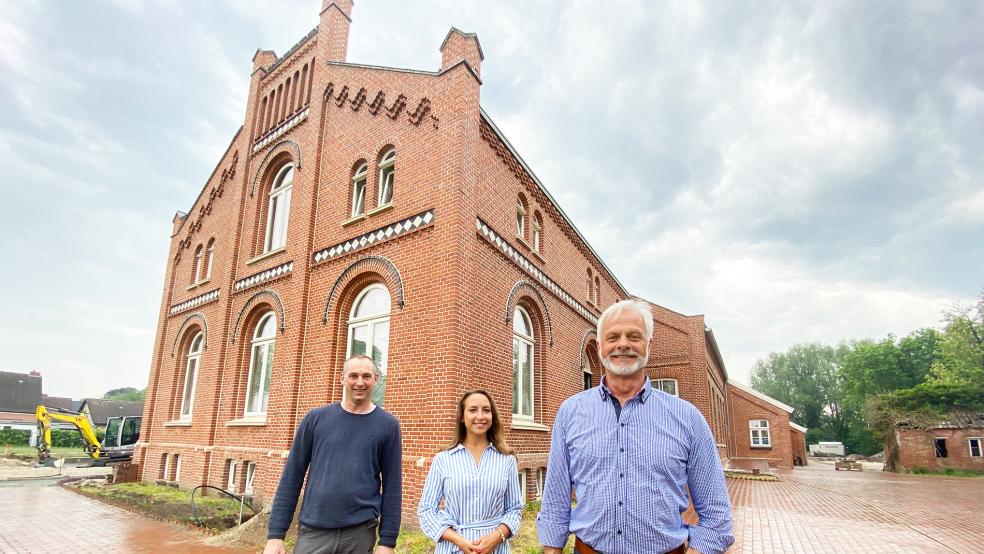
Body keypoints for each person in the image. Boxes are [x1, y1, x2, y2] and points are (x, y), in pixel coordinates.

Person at [537, 300, 734, 554]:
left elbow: (716, 513)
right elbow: (555, 499)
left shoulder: (687, 418)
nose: (623, 344)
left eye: (634, 336)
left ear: (649, 344)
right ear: (599, 347)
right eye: (612, 337)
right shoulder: (570, 413)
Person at [264, 354, 402, 554]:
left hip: (360, 535)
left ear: (376, 379)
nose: (360, 382)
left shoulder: (388, 426)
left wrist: (387, 542)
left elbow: (392, 487)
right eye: (353, 376)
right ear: (342, 378)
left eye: (366, 376)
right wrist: (276, 535)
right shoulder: (315, 419)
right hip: (313, 534)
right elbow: (291, 478)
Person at [418, 389, 523, 554]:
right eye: (473, 410)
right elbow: (426, 510)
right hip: (452, 548)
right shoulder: (443, 459)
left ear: (492, 416)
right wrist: (457, 540)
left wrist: (497, 536)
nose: (480, 416)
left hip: (495, 549)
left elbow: (515, 508)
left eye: (486, 410)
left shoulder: (506, 460)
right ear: (462, 416)